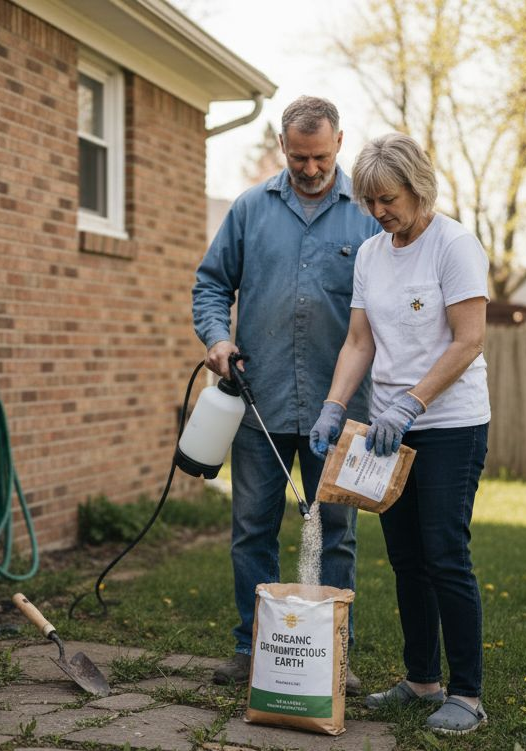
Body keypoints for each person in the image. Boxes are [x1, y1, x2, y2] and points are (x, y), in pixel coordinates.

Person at [192, 96, 382, 688]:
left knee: (336, 538)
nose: (309, 168)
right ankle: (254, 649)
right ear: (283, 147)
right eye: (299, 157)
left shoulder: (368, 215)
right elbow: (210, 284)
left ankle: (331, 656)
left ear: (340, 143)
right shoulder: (250, 209)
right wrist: (218, 338)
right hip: (259, 404)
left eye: (320, 156)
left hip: (341, 409)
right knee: (252, 530)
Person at [310, 132, 491, 735]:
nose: (380, 212)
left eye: (388, 199)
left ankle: (466, 695)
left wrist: (411, 404)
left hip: (447, 424)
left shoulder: (454, 244)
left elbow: (469, 341)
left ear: (417, 187)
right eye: (369, 202)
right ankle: (422, 681)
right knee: (407, 560)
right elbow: (360, 340)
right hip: (385, 432)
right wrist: (335, 407)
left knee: (445, 555)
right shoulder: (371, 253)